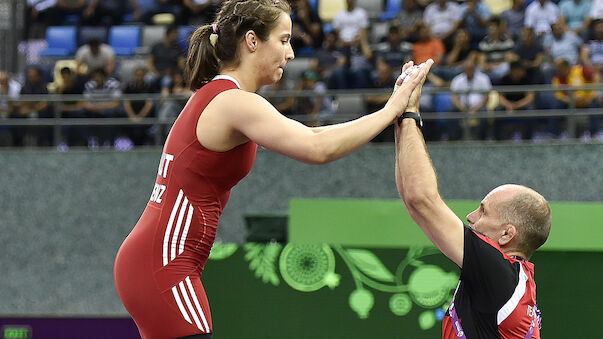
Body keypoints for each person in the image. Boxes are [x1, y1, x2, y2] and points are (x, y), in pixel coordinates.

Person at [113, 1, 429, 338]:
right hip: (162, 262)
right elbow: (317, 149)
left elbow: (314, 135)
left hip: (156, 260)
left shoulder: (225, 97)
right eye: (283, 40)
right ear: (252, 41)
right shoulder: (234, 102)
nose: (290, 53)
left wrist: (387, 111)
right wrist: (392, 109)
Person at [393, 61, 550, 338]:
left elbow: (421, 200)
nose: (470, 217)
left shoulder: (498, 272)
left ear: (506, 234)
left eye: (483, 211)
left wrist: (410, 113)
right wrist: (400, 120)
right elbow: (412, 199)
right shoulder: (509, 280)